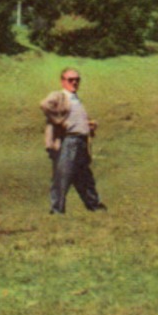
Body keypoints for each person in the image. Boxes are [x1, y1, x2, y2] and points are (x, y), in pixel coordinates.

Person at [39, 67, 106, 214]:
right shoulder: (60, 96)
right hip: (68, 141)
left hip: (81, 141)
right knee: (62, 175)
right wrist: (59, 120)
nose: (74, 82)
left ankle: (94, 205)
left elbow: (74, 119)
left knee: (84, 175)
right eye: (70, 80)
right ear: (63, 81)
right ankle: (56, 209)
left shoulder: (76, 99)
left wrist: (88, 125)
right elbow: (44, 105)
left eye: (77, 80)